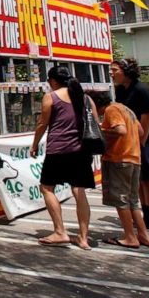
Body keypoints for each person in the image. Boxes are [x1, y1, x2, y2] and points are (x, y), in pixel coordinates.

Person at [30, 65, 98, 249]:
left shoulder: (50, 97)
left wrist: (34, 145)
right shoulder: (85, 98)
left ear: (52, 81)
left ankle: (60, 231)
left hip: (58, 150)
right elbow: (95, 123)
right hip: (81, 151)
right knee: (79, 191)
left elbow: (42, 124)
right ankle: (83, 238)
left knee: (46, 188)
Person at [90, 91, 149, 249]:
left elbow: (121, 131)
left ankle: (130, 237)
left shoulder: (111, 110)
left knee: (121, 200)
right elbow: (140, 131)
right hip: (134, 158)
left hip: (119, 159)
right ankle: (144, 235)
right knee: (132, 200)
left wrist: (101, 130)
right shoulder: (127, 109)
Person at [111, 58, 149, 229]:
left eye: (115, 70)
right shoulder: (121, 91)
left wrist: (140, 142)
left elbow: (147, 118)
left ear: (126, 71)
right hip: (132, 138)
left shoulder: (142, 90)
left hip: (145, 139)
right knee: (138, 178)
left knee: (148, 177)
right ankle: (143, 215)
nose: (112, 74)